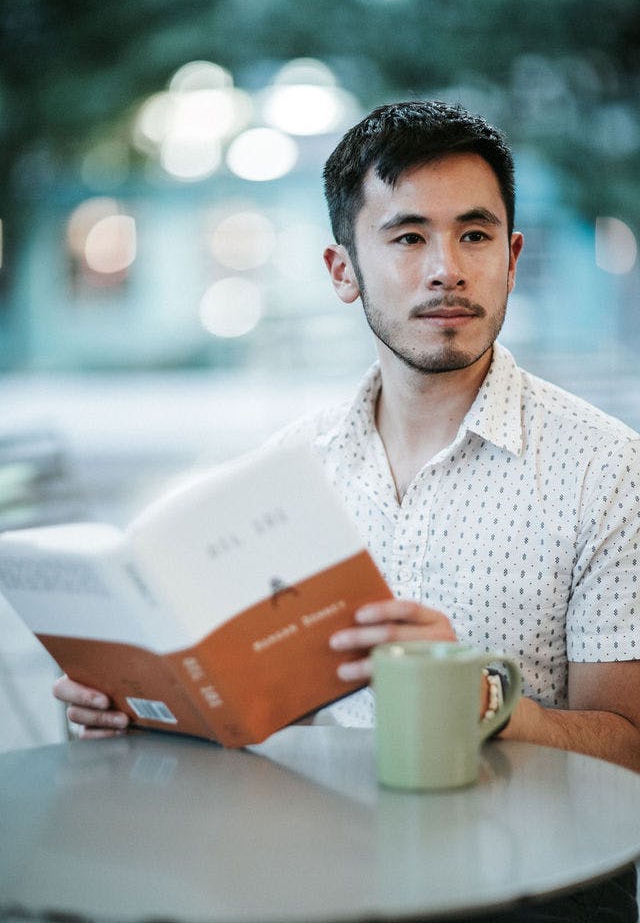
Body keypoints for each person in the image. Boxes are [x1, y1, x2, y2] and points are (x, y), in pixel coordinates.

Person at [54, 101, 640, 921]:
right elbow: (239, 715)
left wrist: (480, 703)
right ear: (342, 272)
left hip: (530, 888)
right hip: (312, 872)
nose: (446, 269)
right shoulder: (285, 477)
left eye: (474, 236)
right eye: (407, 238)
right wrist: (137, 705)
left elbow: (630, 747)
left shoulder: (609, 471)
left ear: (511, 258)